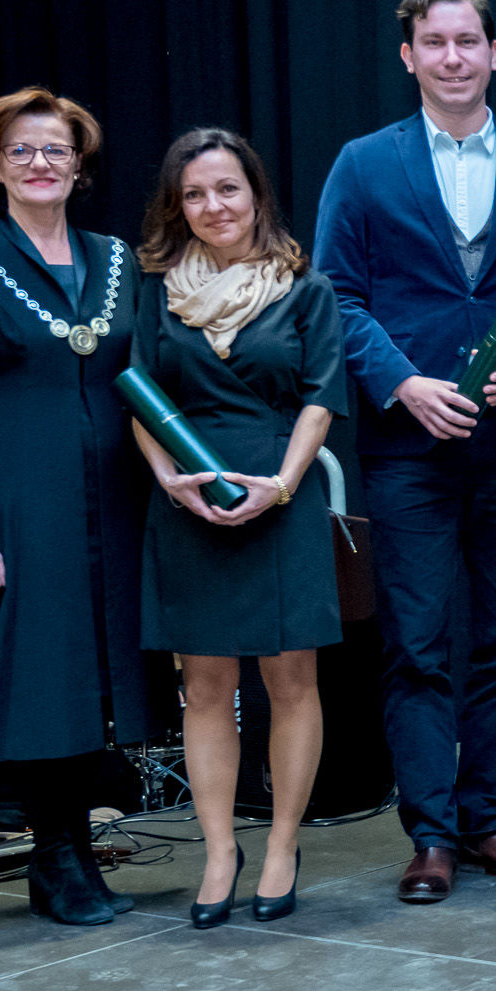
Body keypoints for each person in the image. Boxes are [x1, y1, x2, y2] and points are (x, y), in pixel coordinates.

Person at [312, 0, 496, 904]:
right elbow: (334, 295)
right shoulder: (363, 164)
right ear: (408, 57)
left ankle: (491, 818)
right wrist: (402, 381)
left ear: (494, 52)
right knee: (417, 644)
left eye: (467, 40)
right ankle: (430, 832)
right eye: (433, 42)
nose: (452, 57)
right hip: (409, 447)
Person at [0, 87, 151, 925]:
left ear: (80, 163)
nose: (39, 163)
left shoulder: (116, 258)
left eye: (56, 148)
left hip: (116, 503)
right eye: (19, 150)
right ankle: (55, 853)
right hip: (20, 501)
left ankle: (79, 847)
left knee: (97, 677)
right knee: (41, 679)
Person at [134, 128, 347, 927]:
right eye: (194, 193)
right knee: (205, 686)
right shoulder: (158, 291)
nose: (213, 206)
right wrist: (168, 478)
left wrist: (284, 484)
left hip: (280, 501)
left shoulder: (305, 289)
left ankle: (283, 844)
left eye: (227, 188)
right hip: (189, 506)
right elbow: (139, 394)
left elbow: (322, 397)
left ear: (257, 194)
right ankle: (220, 851)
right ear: (177, 205)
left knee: (291, 682)